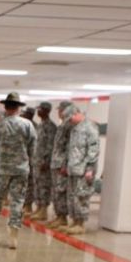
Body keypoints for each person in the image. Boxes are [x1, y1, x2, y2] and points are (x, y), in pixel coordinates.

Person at [0, 92, 37, 249]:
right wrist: (27, 161)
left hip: (1, 168)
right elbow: (33, 148)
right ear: (18, 108)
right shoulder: (27, 125)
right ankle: (13, 236)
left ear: (5, 107)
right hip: (21, 169)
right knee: (17, 201)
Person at [58, 106, 99, 235]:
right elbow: (70, 149)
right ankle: (74, 221)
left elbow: (93, 150)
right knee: (72, 196)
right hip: (73, 168)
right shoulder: (74, 128)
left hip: (83, 170)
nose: (69, 121)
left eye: (70, 118)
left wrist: (90, 169)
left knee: (81, 197)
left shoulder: (90, 127)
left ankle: (80, 224)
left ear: (76, 114)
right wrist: (65, 165)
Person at [45, 101, 74, 229]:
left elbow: (69, 147)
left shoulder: (69, 126)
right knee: (56, 191)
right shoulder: (63, 125)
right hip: (55, 163)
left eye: (60, 110)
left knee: (61, 191)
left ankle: (63, 217)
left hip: (61, 164)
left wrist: (65, 164)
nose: (59, 112)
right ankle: (58, 216)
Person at [30, 102, 57, 221]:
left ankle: (43, 210)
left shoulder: (50, 126)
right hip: (37, 160)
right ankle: (39, 207)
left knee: (44, 186)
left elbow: (51, 146)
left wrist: (46, 161)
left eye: (40, 109)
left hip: (44, 162)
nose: (38, 112)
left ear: (46, 111)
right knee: (37, 185)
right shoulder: (40, 125)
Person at [20, 106, 38, 217]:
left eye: (25, 113)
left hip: (30, 160)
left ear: (30, 114)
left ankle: (28, 205)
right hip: (22, 159)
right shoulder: (23, 125)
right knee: (22, 183)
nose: (23, 115)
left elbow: (34, 144)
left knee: (29, 184)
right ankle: (23, 204)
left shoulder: (34, 126)